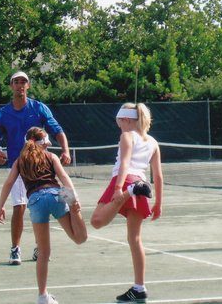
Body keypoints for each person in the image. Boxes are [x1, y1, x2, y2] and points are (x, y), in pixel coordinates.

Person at [0, 127, 87, 304]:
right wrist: (74, 199)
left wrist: (0, 206)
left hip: (36, 201)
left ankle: (42, 296)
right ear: (42, 142)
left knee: (44, 252)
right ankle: (76, 213)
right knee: (80, 238)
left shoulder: (19, 161)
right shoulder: (51, 156)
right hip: (56, 195)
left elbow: (8, 183)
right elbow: (63, 178)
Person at [0, 70, 71, 265]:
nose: (20, 85)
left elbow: (58, 131)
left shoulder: (39, 108)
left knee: (41, 206)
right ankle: (15, 249)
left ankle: (40, 248)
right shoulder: (3, 113)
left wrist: (65, 150)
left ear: (28, 86)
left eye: (23, 82)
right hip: (19, 168)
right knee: (19, 207)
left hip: (41, 170)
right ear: (11, 86)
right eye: (16, 82)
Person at [90, 102, 163, 303]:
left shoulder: (126, 136)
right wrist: (158, 203)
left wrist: (118, 189)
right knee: (135, 239)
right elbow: (158, 176)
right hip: (143, 184)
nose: (119, 125)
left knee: (97, 221)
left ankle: (130, 191)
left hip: (127, 183)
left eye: (119, 121)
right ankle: (139, 288)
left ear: (126, 120)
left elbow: (124, 163)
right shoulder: (153, 142)